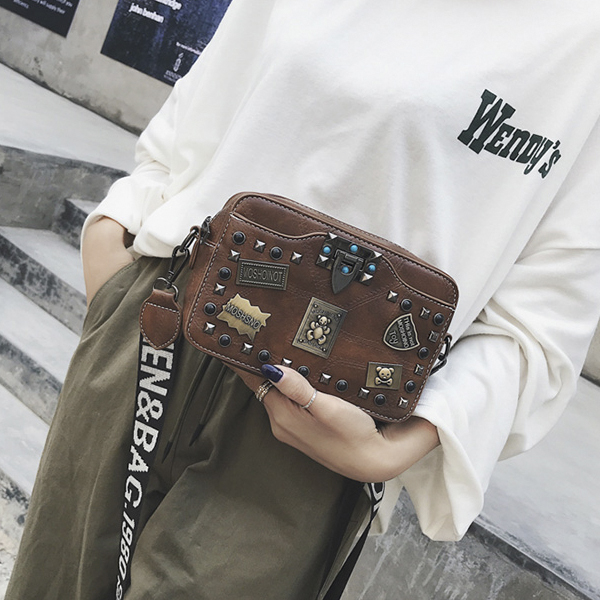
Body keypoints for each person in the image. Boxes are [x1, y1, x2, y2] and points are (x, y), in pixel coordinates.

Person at [7, 1, 600, 598]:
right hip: (160, 321)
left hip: (317, 427)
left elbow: (544, 316)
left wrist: (396, 448)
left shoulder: (582, 44)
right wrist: (113, 233)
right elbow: (197, 119)